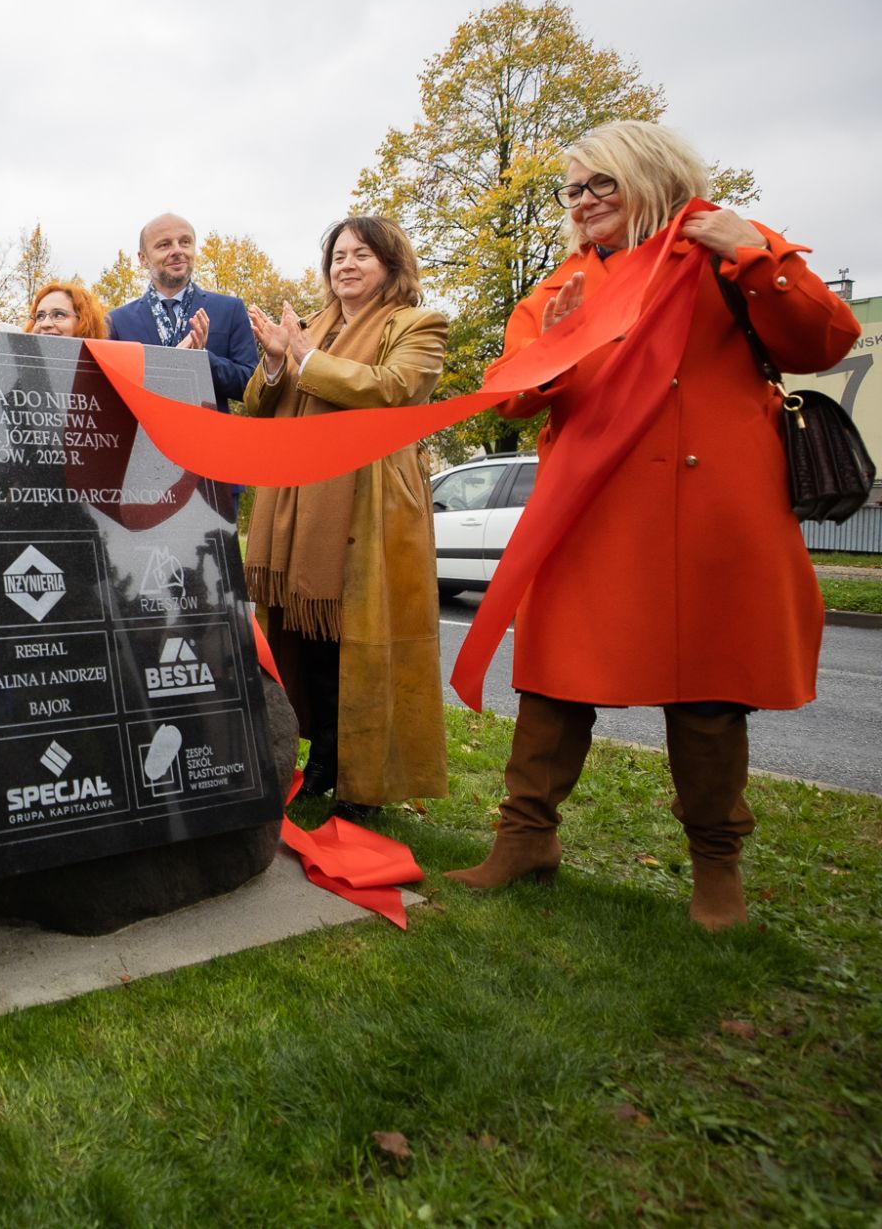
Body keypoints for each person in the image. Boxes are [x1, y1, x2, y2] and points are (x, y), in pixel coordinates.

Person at [446, 120, 859, 929]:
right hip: (589, 509)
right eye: (575, 189)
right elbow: (509, 392)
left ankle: (717, 869)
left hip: (705, 509)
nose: (586, 201)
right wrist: (559, 337)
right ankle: (525, 839)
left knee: (706, 685)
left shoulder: (724, 245)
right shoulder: (562, 279)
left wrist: (758, 256)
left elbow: (826, 339)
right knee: (553, 676)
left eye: (603, 182)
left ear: (653, 173)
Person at [241, 217, 449, 814]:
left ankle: (365, 783)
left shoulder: (417, 325)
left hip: (368, 504)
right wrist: (279, 362)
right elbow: (261, 404)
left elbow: (394, 388)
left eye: (362, 254)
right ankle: (325, 758)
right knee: (305, 638)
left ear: (390, 263)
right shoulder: (310, 329)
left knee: (355, 640)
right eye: (338, 255)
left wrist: (307, 362)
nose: (346, 265)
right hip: (297, 507)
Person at [106, 212, 257, 404]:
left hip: (208, 431)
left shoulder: (230, 310)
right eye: (164, 245)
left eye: (185, 242)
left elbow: (250, 386)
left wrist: (202, 361)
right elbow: (109, 393)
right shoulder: (117, 322)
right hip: (144, 432)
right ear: (143, 259)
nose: (177, 250)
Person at [22, 279, 111, 339]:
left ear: (85, 324)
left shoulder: (102, 367)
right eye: (40, 316)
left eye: (59, 315)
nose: (45, 324)